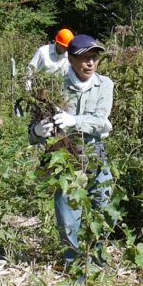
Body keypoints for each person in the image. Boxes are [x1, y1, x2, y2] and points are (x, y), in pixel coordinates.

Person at [29, 34, 114, 264]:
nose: (90, 63)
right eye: (84, 58)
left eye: (94, 58)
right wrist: (38, 130)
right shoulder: (54, 86)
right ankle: (74, 265)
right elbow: (32, 134)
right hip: (66, 158)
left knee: (104, 209)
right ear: (71, 59)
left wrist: (74, 121)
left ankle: (97, 259)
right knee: (68, 217)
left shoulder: (104, 85)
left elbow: (100, 121)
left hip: (96, 154)